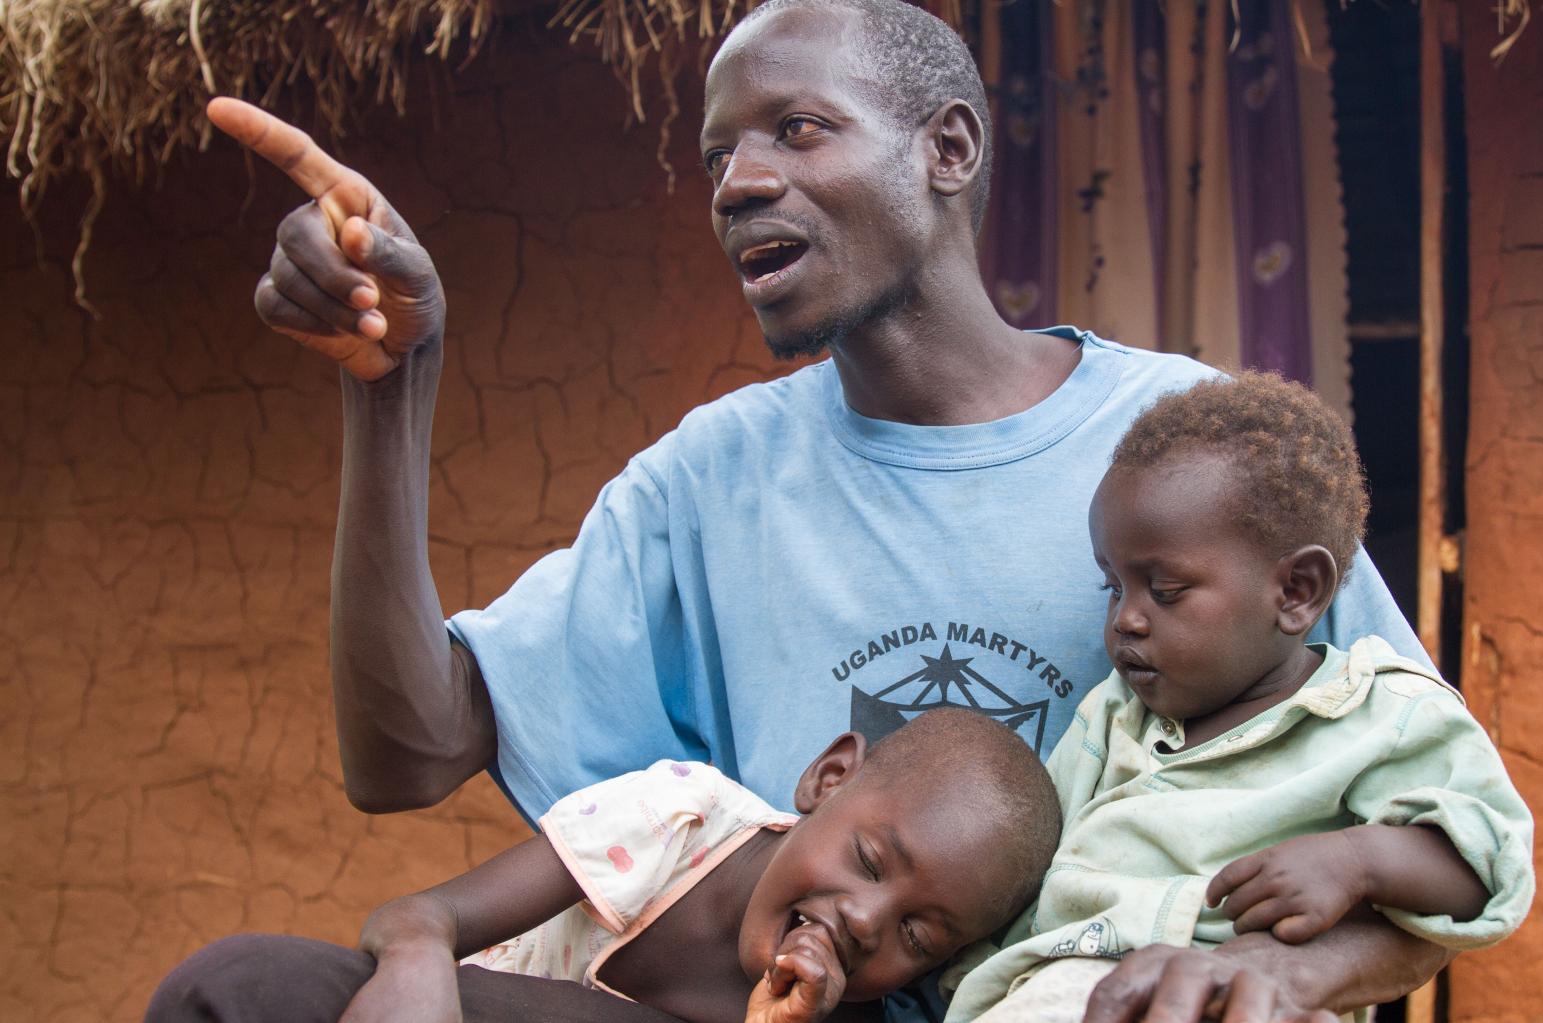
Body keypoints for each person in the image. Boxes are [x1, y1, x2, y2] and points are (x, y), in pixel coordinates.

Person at [195, 0, 1455, 1018]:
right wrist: (394, 385)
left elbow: (1440, 839)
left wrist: (1276, 974)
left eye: (795, 130)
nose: (737, 181)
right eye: (716, 158)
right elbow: (403, 758)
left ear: (946, 151)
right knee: (245, 994)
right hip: (775, 1009)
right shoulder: (713, 477)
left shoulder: (1186, 451)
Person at [943, 374, 1535, 1023]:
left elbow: (1487, 862)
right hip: (1074, 985)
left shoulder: (1378, 712)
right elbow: (1027, 861)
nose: (1127, 619)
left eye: (1164, 590)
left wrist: (1359, 860)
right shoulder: (1111, 716)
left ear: (1296, 591)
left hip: (1254, 996)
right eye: (1113, 587)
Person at [149, 710, 1062, 1023]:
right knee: (244, 987)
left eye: (917, 931)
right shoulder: (680, 818)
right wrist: (418, 974)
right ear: (828, 777)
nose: (867, 919)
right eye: (870, 859)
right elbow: (419, 918)